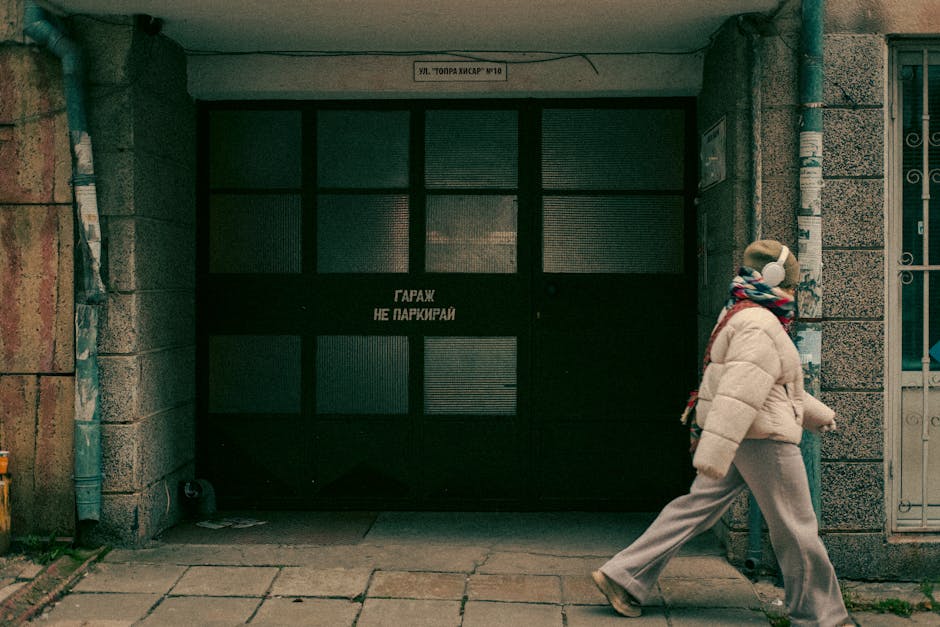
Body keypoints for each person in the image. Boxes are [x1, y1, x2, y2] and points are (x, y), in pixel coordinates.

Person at [592, 239, 851, 626]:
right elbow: (739, 393)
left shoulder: (741, 311)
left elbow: (769, 383)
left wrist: (816, 414)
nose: (794, 292)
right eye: (792, 284)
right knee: (797, 528)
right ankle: (821, 617)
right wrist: (713, 453)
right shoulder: (761, 323)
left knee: (694, 510)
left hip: (746, 435)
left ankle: (623, 576)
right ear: (775, 278)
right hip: (763, 439)